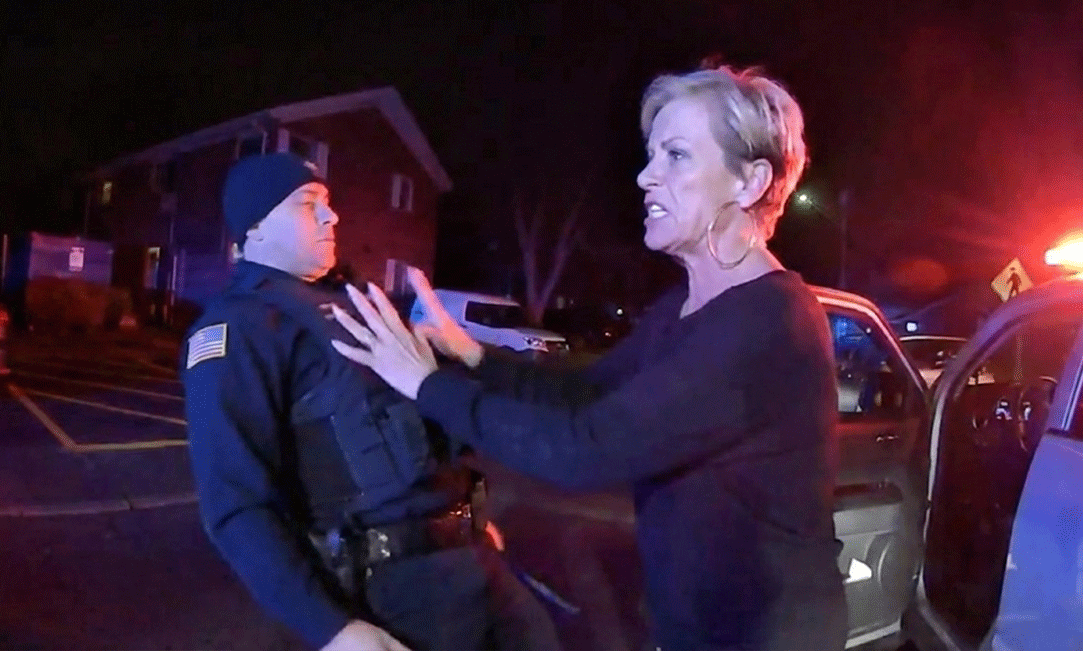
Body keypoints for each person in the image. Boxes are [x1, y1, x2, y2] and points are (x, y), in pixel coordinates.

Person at [328, 64, 849, 651]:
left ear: (749, 182)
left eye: (676, 156)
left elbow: (585, 447)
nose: (646, 176)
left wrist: (427, 386)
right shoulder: (685, 308)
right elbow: (586, 393)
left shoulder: (769, 322)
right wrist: (472, 354)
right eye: (651, 155)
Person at [181, 152, 560, 651]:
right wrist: (333, 629)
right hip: (394, 595)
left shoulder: (354, 305)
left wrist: (467, 526)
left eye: (330, 203)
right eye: (308, 203)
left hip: (472, 563)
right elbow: (235, 504)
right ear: (255, 228)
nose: (331, 215)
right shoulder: (240, 327)